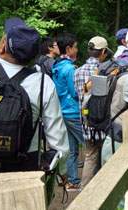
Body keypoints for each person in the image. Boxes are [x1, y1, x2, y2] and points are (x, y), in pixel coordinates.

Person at [0, 17, 69, 208]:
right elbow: (57, 135)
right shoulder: (42, 82)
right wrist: (62, 169)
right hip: (26, 169)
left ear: (2, 46)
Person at [74, 36, 112, 189]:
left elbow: (79, 95)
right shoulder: (106, 71)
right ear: (103, 51)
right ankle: (104, 190)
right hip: (103, 121)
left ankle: (85, 191)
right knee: (105, 157)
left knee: (90, 157)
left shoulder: (77, 72)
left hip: (86, 120)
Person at [52, 33, 84, 191]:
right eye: (76, 47)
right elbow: (74, 92)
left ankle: (72, 182)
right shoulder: (69, 68)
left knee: (71, 149)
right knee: (91, 145)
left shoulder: (57, 66)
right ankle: (98, 178)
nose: (77, 50)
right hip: (73, 112)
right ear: (68, 48)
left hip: (62, 112)